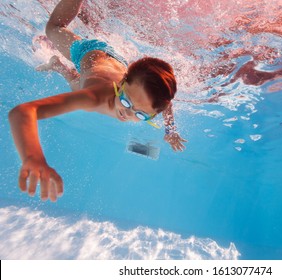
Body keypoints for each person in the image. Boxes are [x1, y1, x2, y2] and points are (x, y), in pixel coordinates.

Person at [8, 0, 187, 202]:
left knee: (77, 86)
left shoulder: (148, 101)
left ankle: (56, 65)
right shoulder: (94, 97)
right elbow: (23, 112)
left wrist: (170, 131)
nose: (127, 114)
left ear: (151, 114)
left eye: (140, 114)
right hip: (89, 52)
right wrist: (33, 157)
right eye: (126, 102)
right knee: (53, 29)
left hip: (114, 63)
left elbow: (167, 104)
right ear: (120, 85)